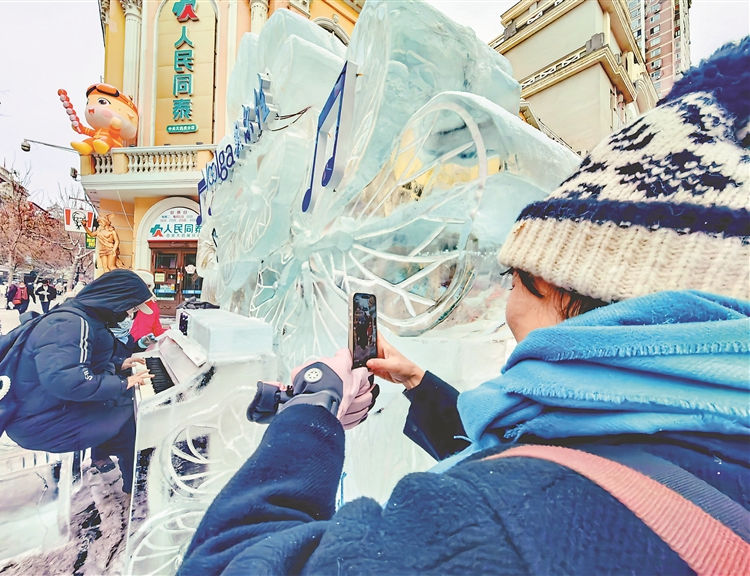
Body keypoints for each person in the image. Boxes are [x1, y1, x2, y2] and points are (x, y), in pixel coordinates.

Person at [179, 40, 750, 575]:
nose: (501, 299)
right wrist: (420, 383)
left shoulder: (495, 523)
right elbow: (549, 452)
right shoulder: (707, 437)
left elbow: (230, 561)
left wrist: (311, 408)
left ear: (557, 281)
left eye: (511, 277)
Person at [5, 269, 154, 495]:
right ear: (117, 300)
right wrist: (122, 384)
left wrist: (118, 365)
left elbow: (80, 362)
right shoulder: (70, 322)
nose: (130, 315)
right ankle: (139, 490)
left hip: (49, 408)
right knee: (134, 420)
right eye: (130, 308)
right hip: (41, 422)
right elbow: (67, 381)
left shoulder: (83, 317)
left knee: (126, 406)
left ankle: (121, 469)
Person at [129, 270, 165, 344]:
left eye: (148, 286)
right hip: (122, 346)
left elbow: (156, 328)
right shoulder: (122, 302)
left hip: (142, 346)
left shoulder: (152, 304)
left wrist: (166, 336)